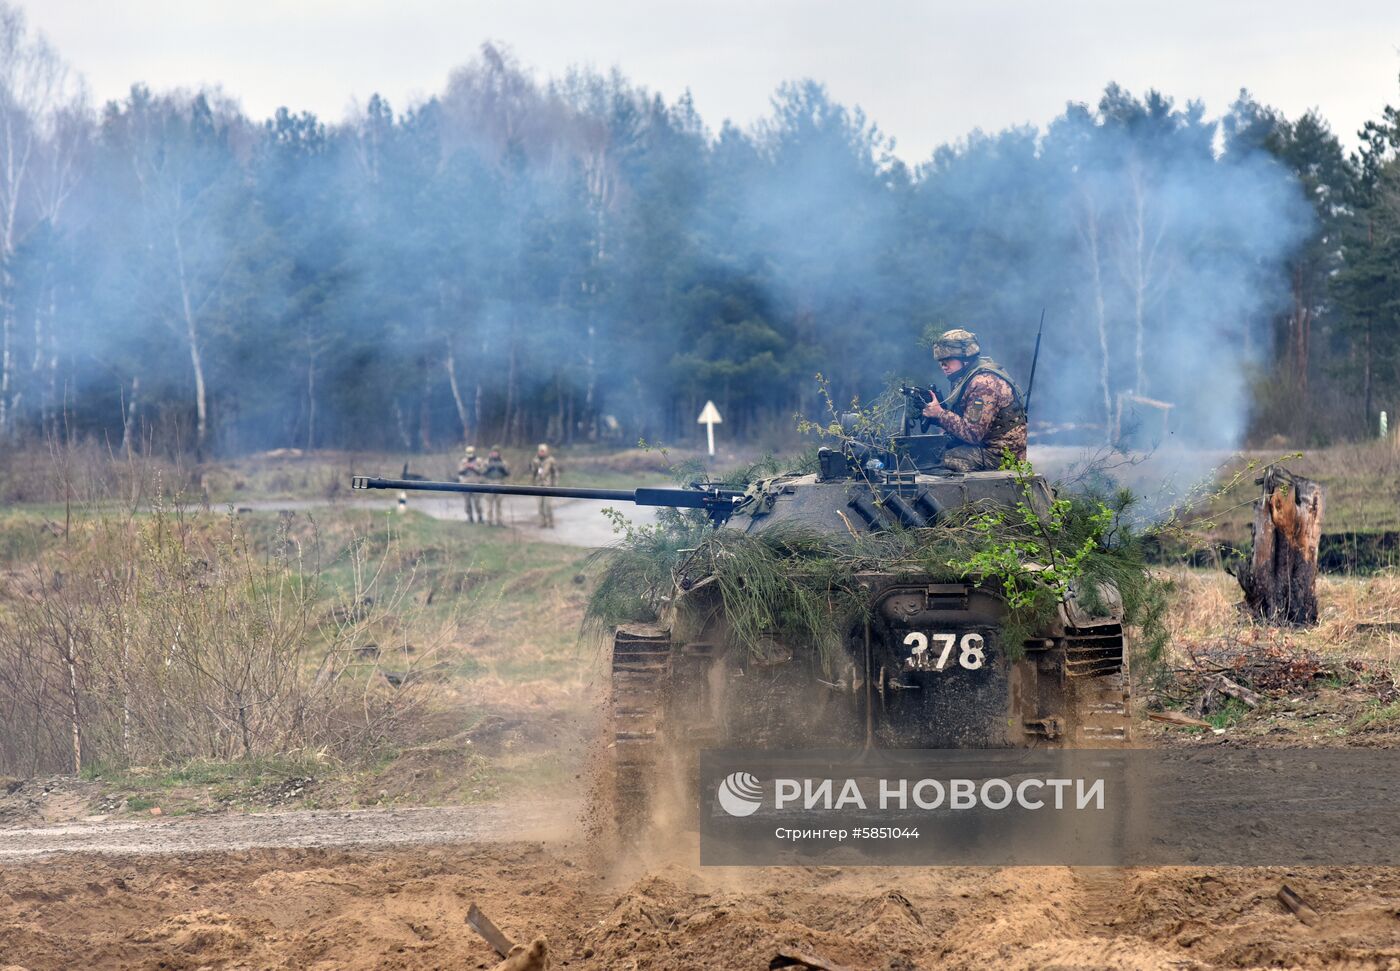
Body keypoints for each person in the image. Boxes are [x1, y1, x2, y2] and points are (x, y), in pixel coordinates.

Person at [921, 328, 1027, 472]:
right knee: (931, 452)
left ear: (965, 359)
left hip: (1001, 455)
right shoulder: (966, 377)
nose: (943, 366)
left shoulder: (983, 384)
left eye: (948, 360)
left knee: (935, 461)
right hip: (990, 447)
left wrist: (940, 414)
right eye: (941, 361)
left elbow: (972, 434)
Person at [530, 443, 559, 528]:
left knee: (548, 506)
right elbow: (533, 473)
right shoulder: (535, 460)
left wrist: (555, 485)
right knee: (540, 505)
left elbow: (555, 473)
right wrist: (533, 485)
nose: (541, 453)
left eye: (543, 451)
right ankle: (542, 522)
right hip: (538, 486)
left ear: (546, 451)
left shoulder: (551, 460)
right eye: (540, 451)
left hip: (548, 486)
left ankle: (551, 522)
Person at [456, 445, 486, 523]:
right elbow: (460, 472)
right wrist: (466, 467)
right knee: (467, 502)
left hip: (476, 484)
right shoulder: (463, 461)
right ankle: (470, 517)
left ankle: (480, 517)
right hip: (466, 484)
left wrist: (474, 467)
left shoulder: (479, 460)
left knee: (477, 502)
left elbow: (482, 472)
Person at [483, 446, 511, 526]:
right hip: (489, 483)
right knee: (489, 504)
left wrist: (503, 469)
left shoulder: (503, 462)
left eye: (496, 452)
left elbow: (508, 473)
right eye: (493, 452)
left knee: (499, 504)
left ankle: (499, 521)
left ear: (499, 453)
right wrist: (488, 468)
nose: (494, 454)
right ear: (491, 453)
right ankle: (489, 520)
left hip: (500, 483)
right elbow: (482, 472)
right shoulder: (487, 462)